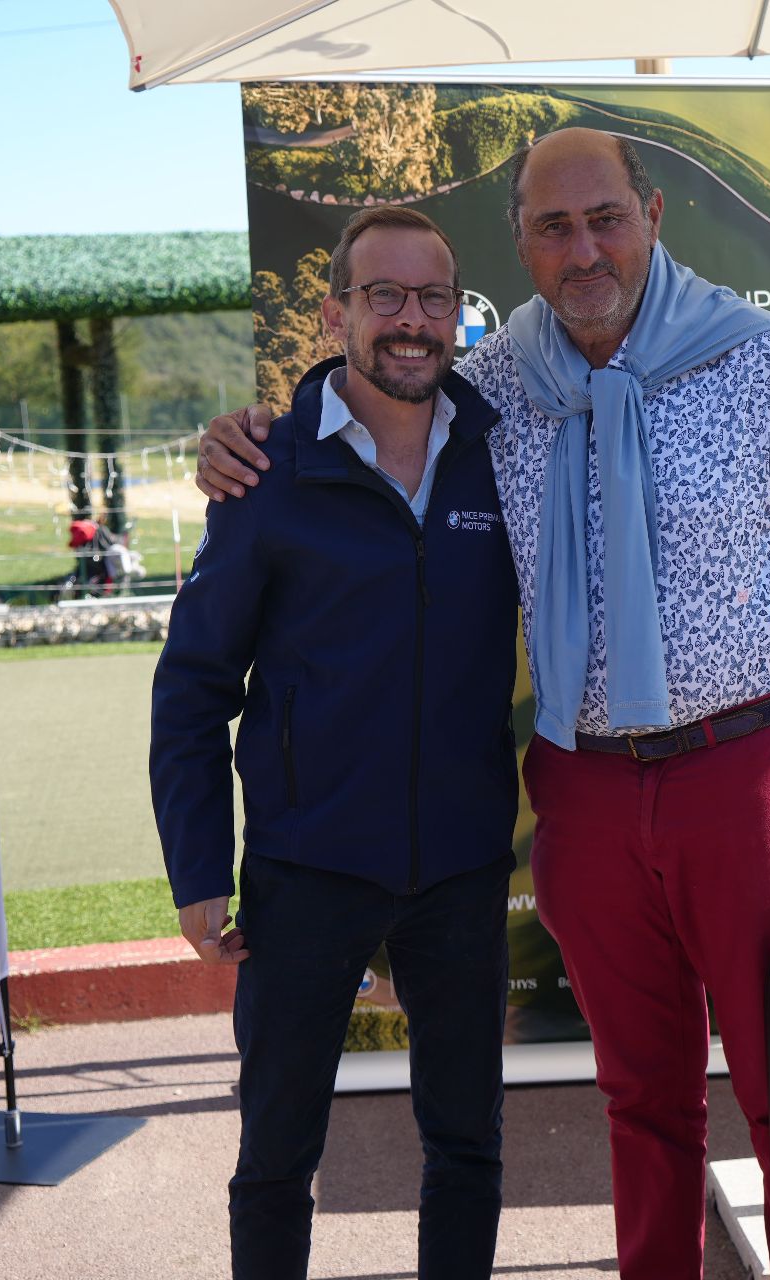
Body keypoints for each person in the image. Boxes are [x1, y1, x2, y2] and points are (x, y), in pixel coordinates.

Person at [195, 129, 770, 1278]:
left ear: (653, 216)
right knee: (641, 1095)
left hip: (751, 775)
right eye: (553, 227)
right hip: (585, 791)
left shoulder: (763, 365)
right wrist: (249, 436)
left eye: (605, 219)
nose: (584, 251)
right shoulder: (494, 389)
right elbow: (372, 401)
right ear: (521, 245)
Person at [149, 206, 518, 1280]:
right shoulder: (264, 471)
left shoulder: (504, 454)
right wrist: (196, 870)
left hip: (462, 864)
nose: (412, 320)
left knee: (468, 1144)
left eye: (434, 297)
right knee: (277, 1156)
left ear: (460, 312)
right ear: (334, 313)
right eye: (384, 295)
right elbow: (193, 685)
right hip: (306, 865)